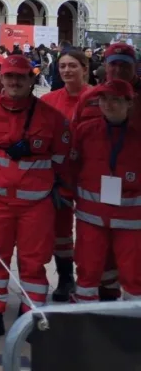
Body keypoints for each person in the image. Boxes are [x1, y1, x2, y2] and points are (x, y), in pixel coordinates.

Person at [0, 54, 71, 341]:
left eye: (20, 77)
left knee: (34, 261)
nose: (14, 81)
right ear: (1, 78)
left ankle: (33, 314)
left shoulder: (52, 117)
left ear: (31, 80)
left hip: (36, 204)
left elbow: (61, 158)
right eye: (9, 76)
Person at [68, 79, 141, 303]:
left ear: (129, 103)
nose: (108, 105)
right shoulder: (85, 131)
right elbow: (73, 166)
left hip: (131, 220)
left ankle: (133, 325)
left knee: (134, 276)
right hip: (91, 218)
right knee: (87, 271)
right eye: (103, 99)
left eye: (116, 100)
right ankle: (85, 320)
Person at [41, 49, 91, 301]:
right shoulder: (49, 100)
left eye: (73, 65)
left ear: (85, 67)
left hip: (89, 175)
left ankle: (92, 280)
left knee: (90, 231)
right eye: (62, 66)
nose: (67, 70)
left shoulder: (96, 98)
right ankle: (65, 277)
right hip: (59, 176)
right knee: (61, 230)